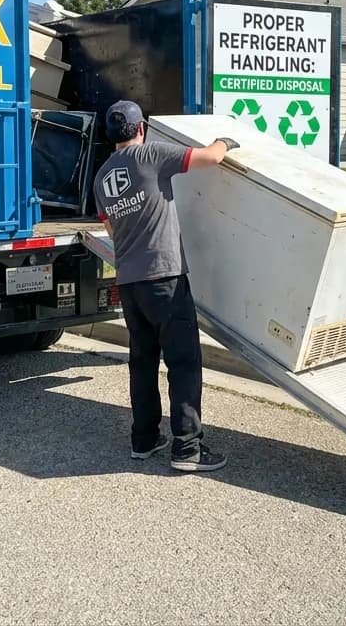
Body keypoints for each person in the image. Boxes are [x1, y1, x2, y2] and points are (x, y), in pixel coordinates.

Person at [92, 100, 238, 472]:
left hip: (130, 283)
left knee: (142, 362)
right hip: (164, 278)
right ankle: (187, 448)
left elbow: (111, 230)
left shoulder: (101, 177)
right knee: (183, 362)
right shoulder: (150, 156)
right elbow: (209, 159)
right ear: (141, 129)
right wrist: (226, 140)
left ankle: (144, 439)